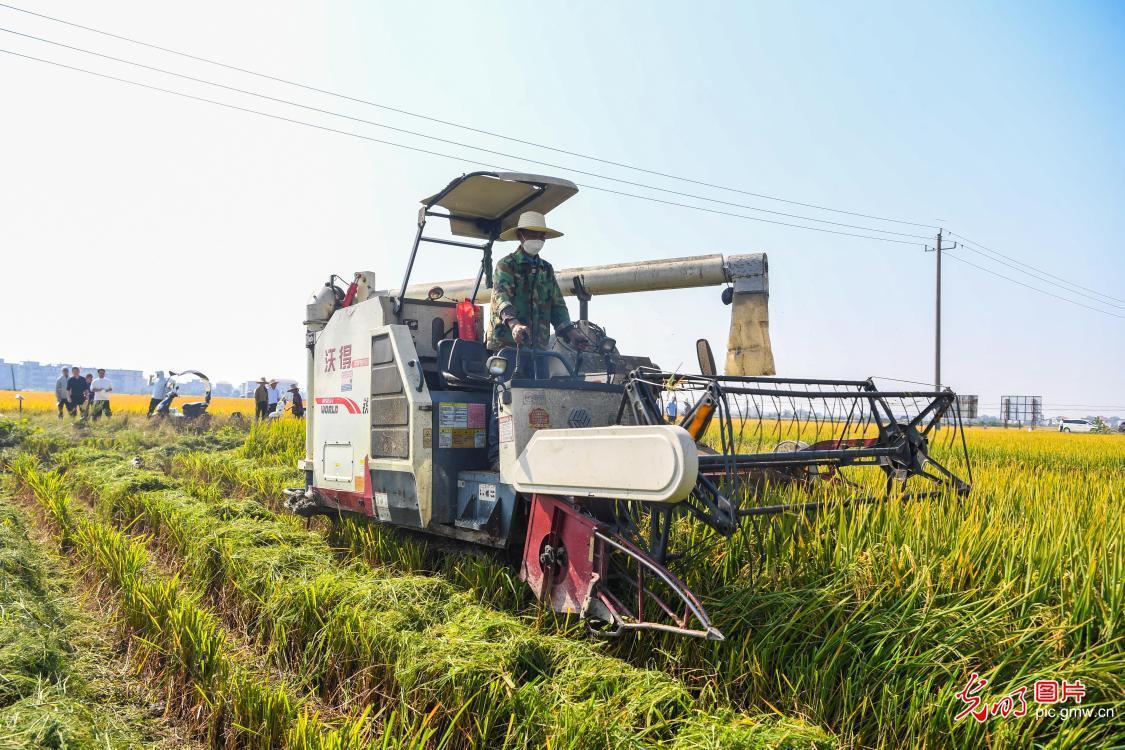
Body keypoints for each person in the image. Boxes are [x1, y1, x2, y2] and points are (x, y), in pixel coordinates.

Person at [490, 210, 586, 357]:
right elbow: (501, 297)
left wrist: (571, 332)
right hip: (508, 345)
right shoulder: (507, 265)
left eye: (542, 235)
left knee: (544, 379)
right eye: (533, 233)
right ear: (520, 235)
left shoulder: (546, 269)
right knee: (509, 380)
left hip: (538, 347)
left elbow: (557, 306)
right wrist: (514, 324)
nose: (539, 239)